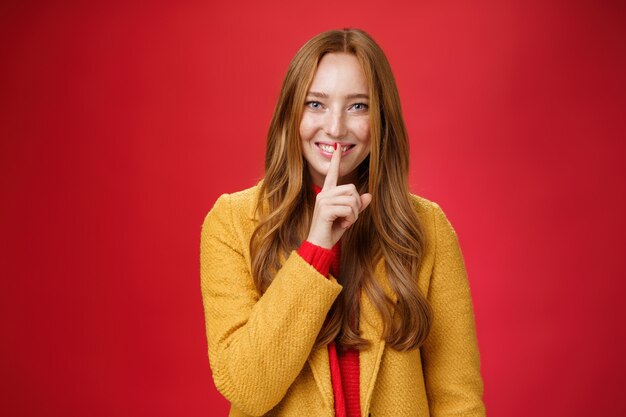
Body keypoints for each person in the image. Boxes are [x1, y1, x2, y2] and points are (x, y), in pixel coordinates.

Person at [200, 28, 485, 417]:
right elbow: (245, 386)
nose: (334, 127)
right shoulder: (233, 221)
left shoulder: (427, 228)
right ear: (291, 111)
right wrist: (316, 248)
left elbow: (458, 400)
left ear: (380, 118)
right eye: (316, 104)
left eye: (357, 106)